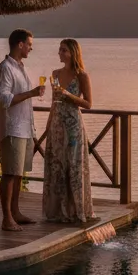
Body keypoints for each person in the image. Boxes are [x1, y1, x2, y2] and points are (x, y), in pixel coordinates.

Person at [0, 29, 44, 231]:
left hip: (24, 127)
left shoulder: (20, 67)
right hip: (12, 128)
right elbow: (4, 98)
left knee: (19, 173)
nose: (31, 47)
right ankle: (7, 219)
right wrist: (31, 93)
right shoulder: (5, 68)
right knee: (9, 174)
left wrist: (31, 94)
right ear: (20, 44)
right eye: (29, 44)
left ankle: (16, 212)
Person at [42, 38, 95, 224]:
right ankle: (57, 211)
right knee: (57, 165)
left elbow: (88, 103)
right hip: (57, 123)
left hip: (73, 124)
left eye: (63, 50)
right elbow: (53, 102)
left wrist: (68, 95)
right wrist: (48, 127)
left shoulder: (82, 76)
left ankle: (76, 209)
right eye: (59, 50)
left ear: (73, 53)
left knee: (73, 165)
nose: (60, 53)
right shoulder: (54, 74)